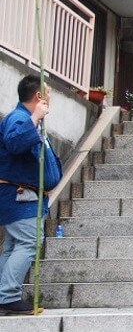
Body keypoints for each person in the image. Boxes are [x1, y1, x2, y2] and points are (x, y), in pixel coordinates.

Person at [0, 75, 62, 315]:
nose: (49, 99)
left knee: (13, 245)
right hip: (19, 194)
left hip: (21, 194)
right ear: (38, 96)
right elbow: (14, 143)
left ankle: (4, 293)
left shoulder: (24, 119)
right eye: (47, 94)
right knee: (29, 241)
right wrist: (35, 117)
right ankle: (8, 295)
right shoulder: (20, 118)